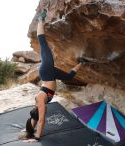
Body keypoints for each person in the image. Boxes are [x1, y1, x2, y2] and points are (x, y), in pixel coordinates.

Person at [19, 9, 82, 142]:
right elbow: (36, 119)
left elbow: (41, 120)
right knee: (69, 76)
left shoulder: (40, 101)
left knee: (43, 43)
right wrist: (28, 132)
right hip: (51, 75)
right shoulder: (36, 110)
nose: (43, 113)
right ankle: (82, 63)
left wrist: (36, 137)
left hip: (47, 72)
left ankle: (40, 20)